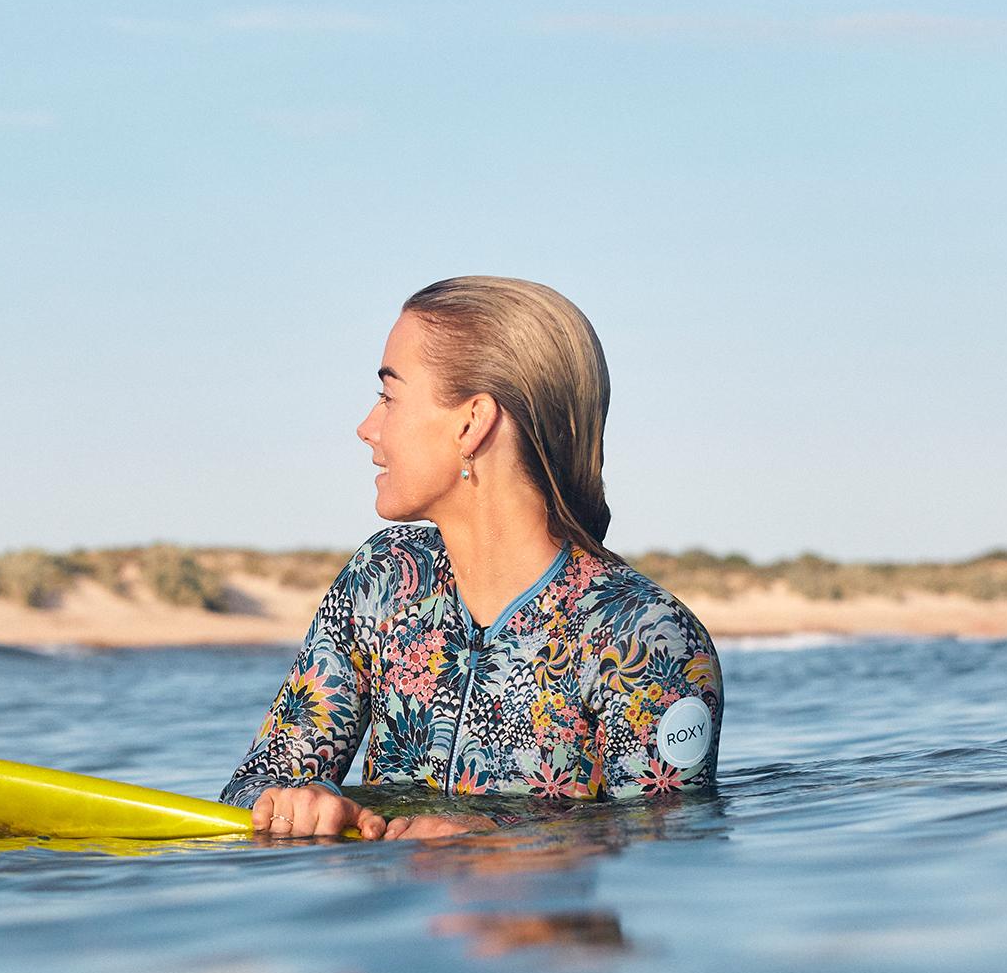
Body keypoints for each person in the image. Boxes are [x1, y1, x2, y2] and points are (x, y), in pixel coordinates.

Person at [222, 275, 723, 840]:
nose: (367, 427)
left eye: (389, 397)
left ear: (472, 422)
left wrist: (492, 841)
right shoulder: (384, 580)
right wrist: (298, 801)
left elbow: (669, 847)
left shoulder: (644, 636)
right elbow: (252, 785)